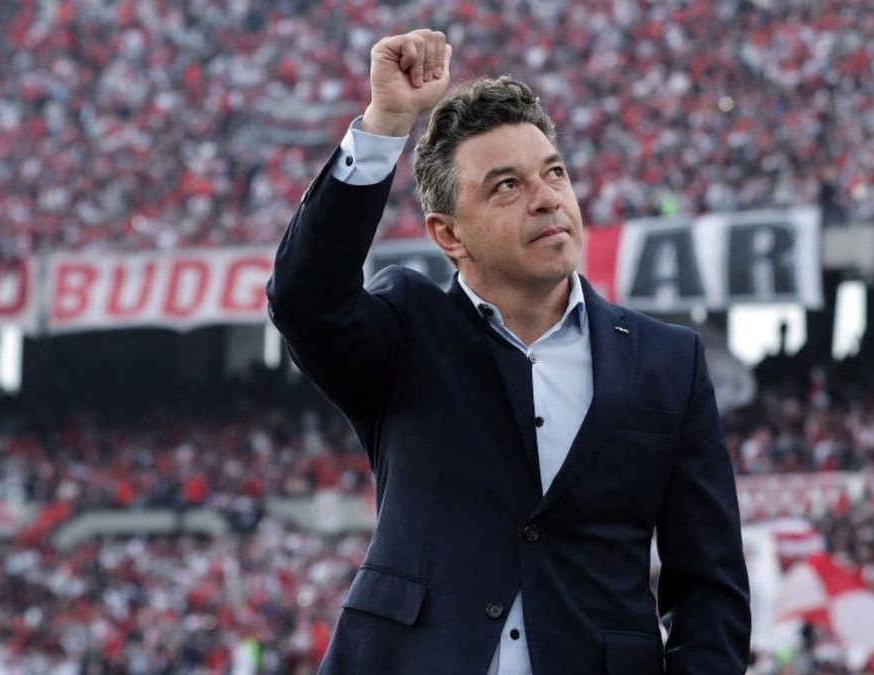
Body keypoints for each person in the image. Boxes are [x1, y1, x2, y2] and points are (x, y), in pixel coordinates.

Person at [266, 29, 750, 675]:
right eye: (506, 186)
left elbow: (711, 587)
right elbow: (304, 298)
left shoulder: (668, 360)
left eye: (555, 173)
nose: (547, 197)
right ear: (448, 234)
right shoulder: (407, 329)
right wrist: (385, 124)